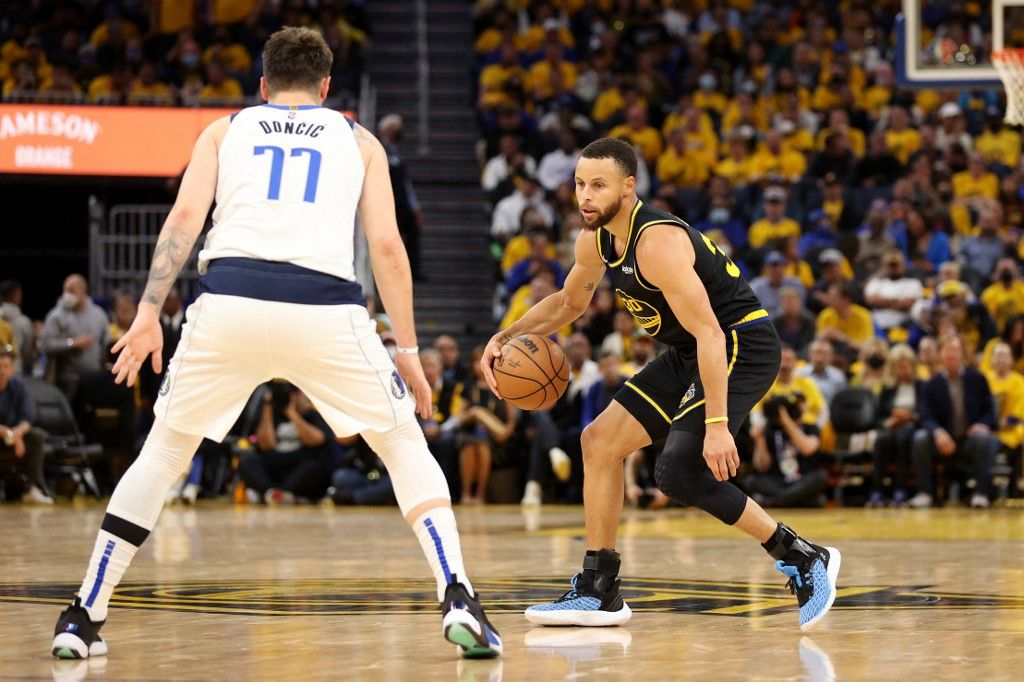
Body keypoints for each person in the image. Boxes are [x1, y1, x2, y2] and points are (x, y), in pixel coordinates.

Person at [51, 28, 501, 661]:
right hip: (324, 307)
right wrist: (406, 349)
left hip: (227, 299)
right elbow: (389, 249)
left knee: (162, 455)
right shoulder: (358, 139)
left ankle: (83, 615)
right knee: (401, 444)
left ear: (261, 85)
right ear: (326, 87)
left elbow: (182, 222)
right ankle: (458, 596)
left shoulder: (223, 130)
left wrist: (150, 310)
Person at [481, 138, 840, 631]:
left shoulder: (659, 243)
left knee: (680, 472)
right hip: (690, 351)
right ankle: (599, 587)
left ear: (629, 188)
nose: (585, 196)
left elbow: (712, 332)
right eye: (580, 184)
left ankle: (802, 555)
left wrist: (717, 424)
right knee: (599, 442)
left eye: (598, 185)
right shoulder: (595, 239)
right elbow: (568, 303)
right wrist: (505, 336)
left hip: (740, 343)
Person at [910, 336, 999, 509]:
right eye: (947, 350)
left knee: (984, 438)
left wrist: (982, 424)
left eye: (955, 350)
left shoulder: (978, 379)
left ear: (962, 354)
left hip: (970, 439)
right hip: (944, 440)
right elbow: (925, 415)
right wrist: (938, 432)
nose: (951, 354)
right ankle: (924, 493)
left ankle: (981, 494)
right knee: (920, 438)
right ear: (940, 355)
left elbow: (990, 411)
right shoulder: (931, 384)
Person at [0, 345, 52, 503]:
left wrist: (17, 434)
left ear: (12, 370)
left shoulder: (18, 387)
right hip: (4, 435)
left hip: (12, 437)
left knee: (37, 436)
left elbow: (27, 419)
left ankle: (31, 488)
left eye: (6, 367)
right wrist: (9, 434)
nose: (1, 370)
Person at [378, 114, 425, 281]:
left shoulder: (397, 152)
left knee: (412, 237)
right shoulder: (378, 150)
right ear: (388, 130)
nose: (401, 132)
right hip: (389, 206)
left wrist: (415, 207)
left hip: (403, 205)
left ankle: (413, 272)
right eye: (397, 129)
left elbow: (406, 183)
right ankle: (393, 273)